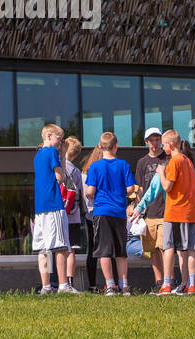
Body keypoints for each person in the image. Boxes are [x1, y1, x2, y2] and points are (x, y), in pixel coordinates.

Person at [84, 132, 138, 295]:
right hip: (119, 212)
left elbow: (90, 190)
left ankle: (110, 285)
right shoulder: (123, 165)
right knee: (121, 251)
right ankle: (124, 285)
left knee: (104, 251)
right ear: (116, 146)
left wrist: (89, 194)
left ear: (100, 147)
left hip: (102, 211)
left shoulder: (95, 166)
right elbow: (130, 189)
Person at [155, 130, 195, 295]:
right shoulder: (188, 161)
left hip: (174, 211)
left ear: (171, 144)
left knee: (168, 248)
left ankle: (166, 284)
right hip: (189, 211)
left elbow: (167, 186)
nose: (162, 147)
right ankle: (190, 283)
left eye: (164, 144)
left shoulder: (174, 161)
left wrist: (161, 173)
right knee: (189, 249)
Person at [32, 124, 71, 294]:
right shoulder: (51, 152)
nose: (60, 142)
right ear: (49, 136)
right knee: (60, 246)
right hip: (53, 204)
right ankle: (63, 285)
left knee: (43, 248)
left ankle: (46, 286)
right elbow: (60, 177)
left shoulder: (38, 155)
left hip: (40, 206)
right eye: (58, 138)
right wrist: (63, 155)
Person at [133, 127, 168, 287]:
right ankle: (158, 280)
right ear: (146, 142)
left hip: (165, 208)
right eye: (151, 140)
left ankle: (169, 280)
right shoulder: (142, 162)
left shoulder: (167, 158)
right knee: (152, 248)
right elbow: (139, 187)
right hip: (148, 211)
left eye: (157, 139)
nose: (154, 143)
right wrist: (137, 208)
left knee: (164, 247)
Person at [62, 136, 85, 292]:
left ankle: (59, 280)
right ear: (76, 154)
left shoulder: (60, 167)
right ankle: (69, 281)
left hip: (60, 214)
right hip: (74, 215)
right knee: (71, 250)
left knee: (59, 249)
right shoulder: (76, 171)